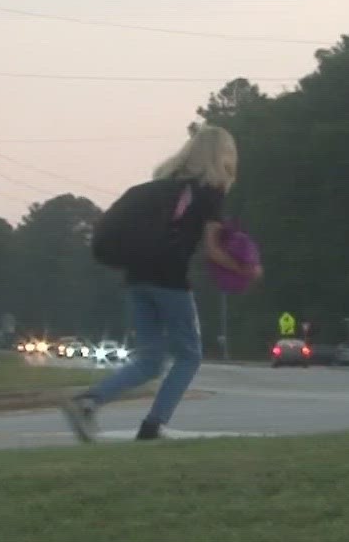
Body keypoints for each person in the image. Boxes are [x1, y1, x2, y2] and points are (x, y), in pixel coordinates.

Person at [62, 125, 259, 442]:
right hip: (169, 280)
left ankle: (88, 401)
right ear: (223, 156)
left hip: (136, 278)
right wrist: (246, 269)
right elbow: (212, 249)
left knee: (151, 360)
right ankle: (154, 425)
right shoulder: (209, 192)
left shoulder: (159, 189)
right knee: (189, 356)